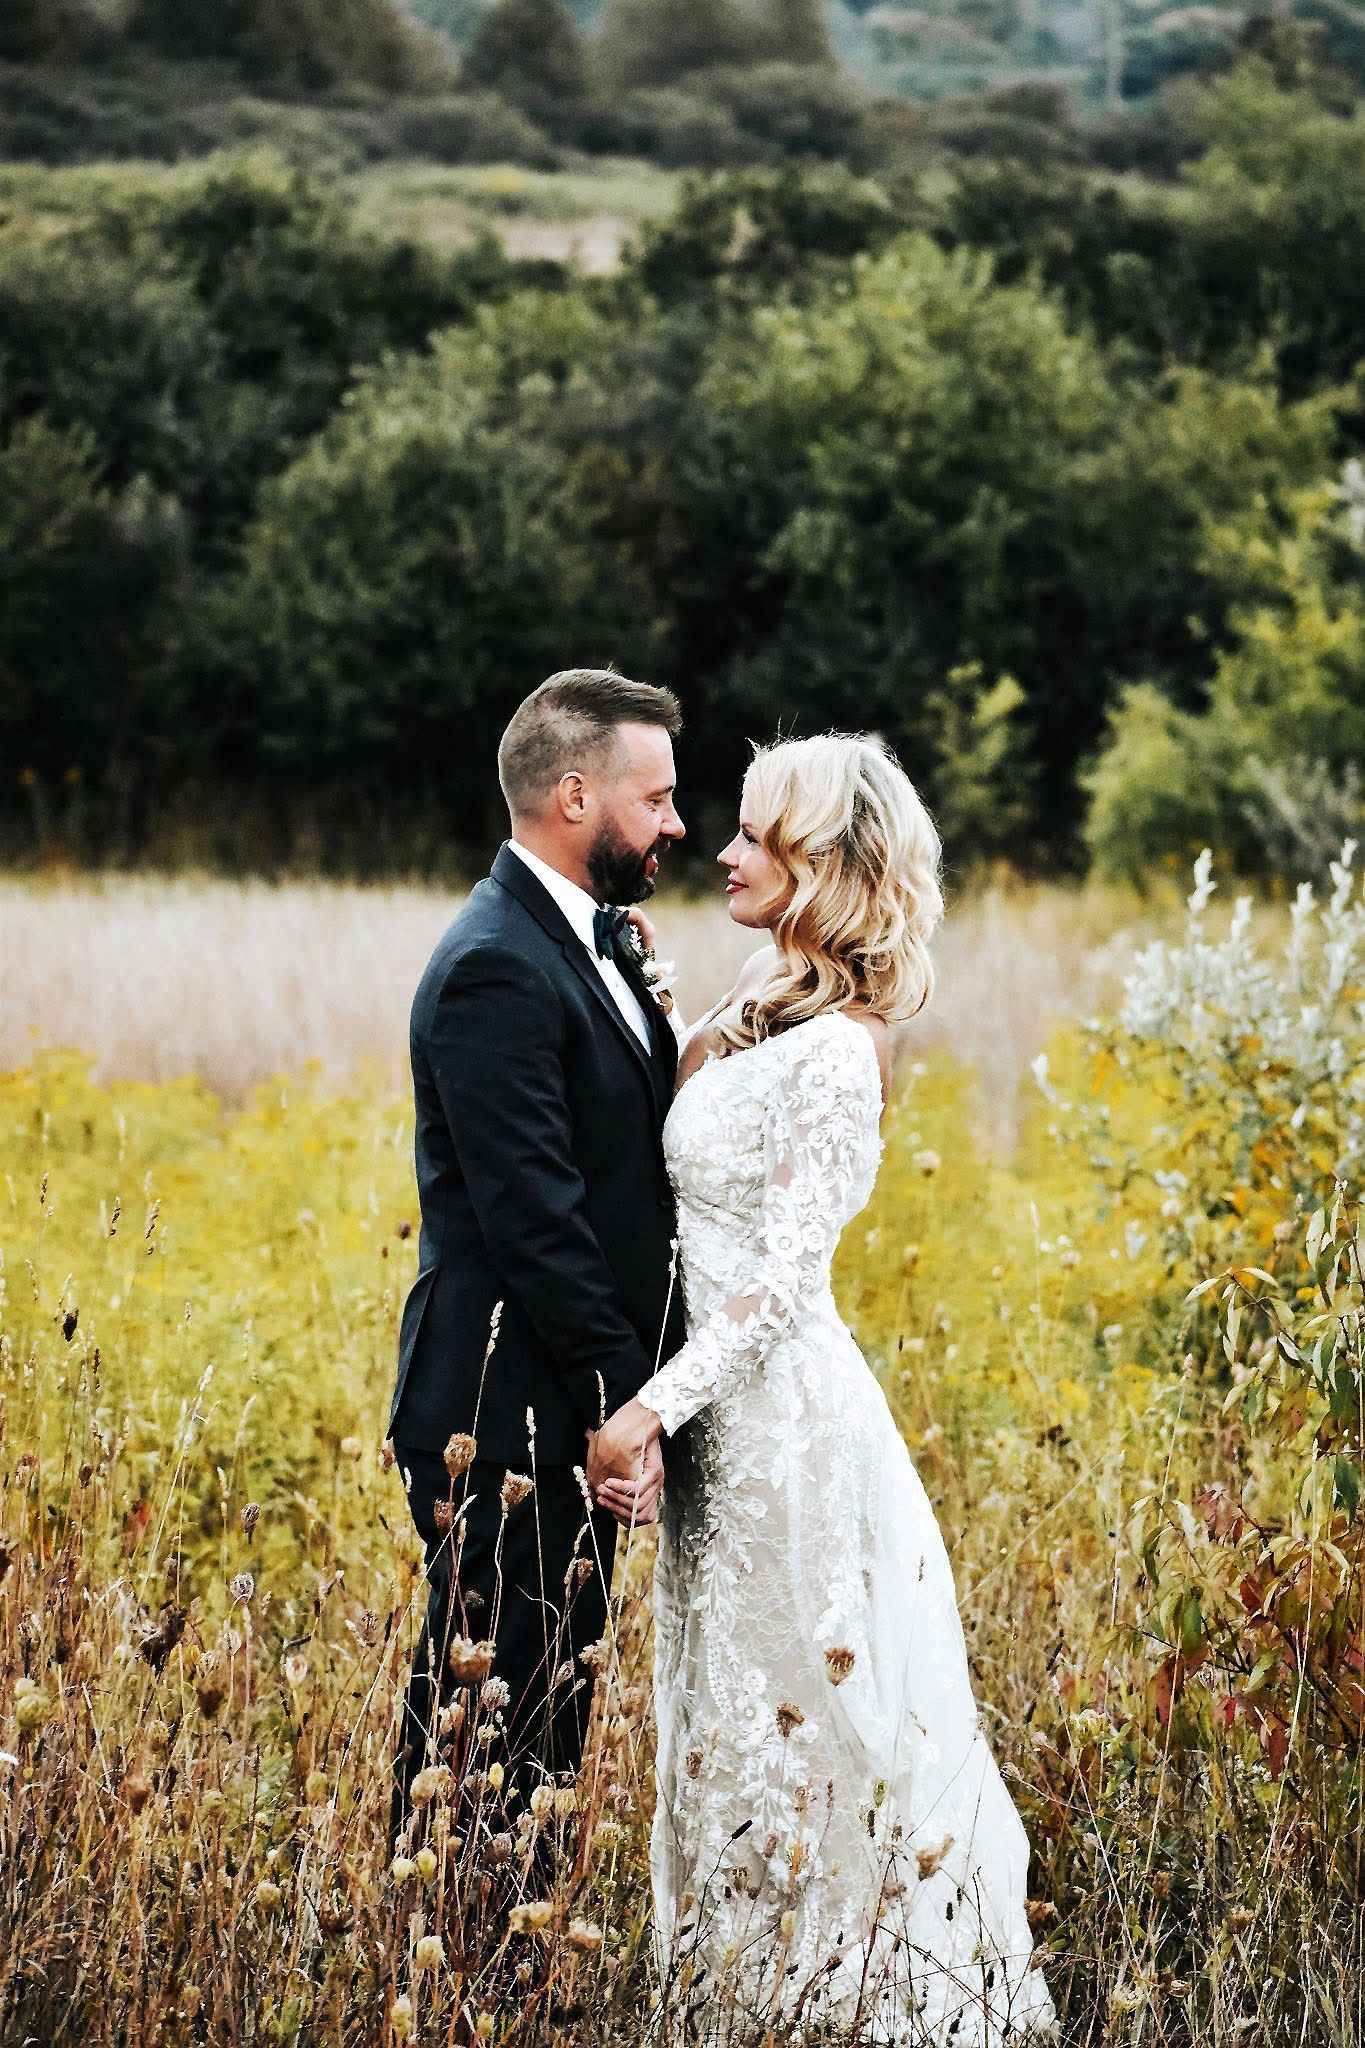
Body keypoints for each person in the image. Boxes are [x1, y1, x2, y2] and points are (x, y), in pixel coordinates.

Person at [588, 734, 1060, 2044]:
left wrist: (644, 1413)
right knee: (721, 1731)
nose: (724, 852)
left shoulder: (843, 1053)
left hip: (788, 1436)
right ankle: (729, 2006)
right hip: (722, 1440)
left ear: (827, 866)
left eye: (755, 836)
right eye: (730, 830)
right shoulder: (761, 1004)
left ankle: (850, 2010)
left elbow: (781, 1290)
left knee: (816, 1739)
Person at [388, 668, 686, 1845]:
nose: (675, 822)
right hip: (504, 1413)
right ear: (576, 795)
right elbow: (539, 1223)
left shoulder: (583, 938)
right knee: (482, 1754)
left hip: (556, 1407)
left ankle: (500, 1979)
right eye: (655, 798)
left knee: (542, 1727)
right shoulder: (497, 965)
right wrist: (630, 1403)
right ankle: (452, 1987)